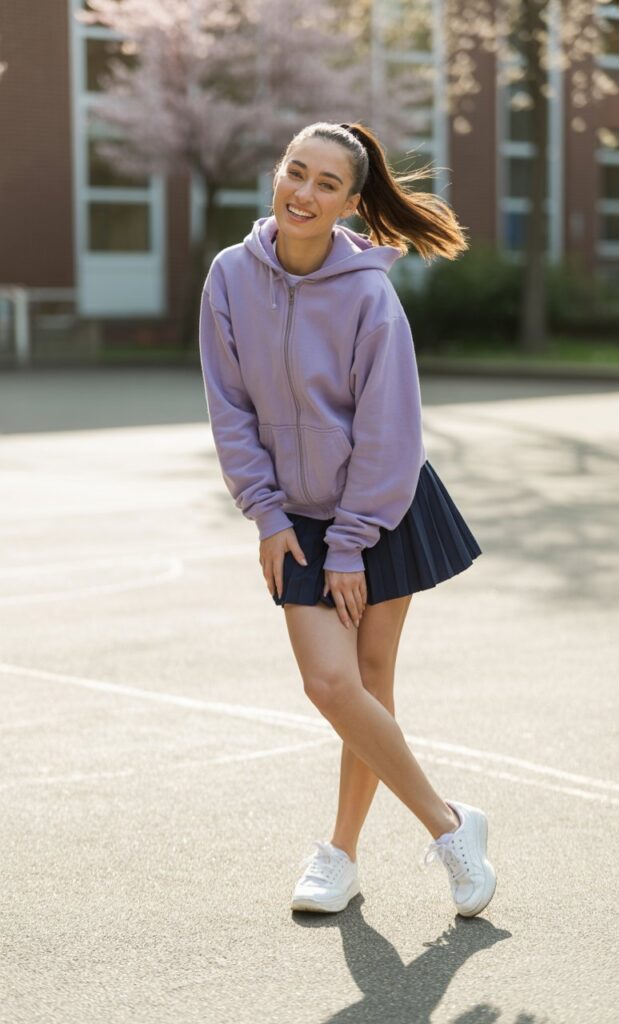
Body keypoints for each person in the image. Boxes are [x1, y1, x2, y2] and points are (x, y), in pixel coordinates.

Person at [198, 120, 497, 919]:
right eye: (296, 172)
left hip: (381, 504)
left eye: (326, 184)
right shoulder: (230, 275)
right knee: (330, 684)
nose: (304, 193)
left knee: (367, 683)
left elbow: (390, 433)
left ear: (350, 204)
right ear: (277, 172)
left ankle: (340, 855)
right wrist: (266, 515)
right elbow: (229, 409)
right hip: (295, 516)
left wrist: (352, 544)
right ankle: (451, 826)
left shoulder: (370, 296)